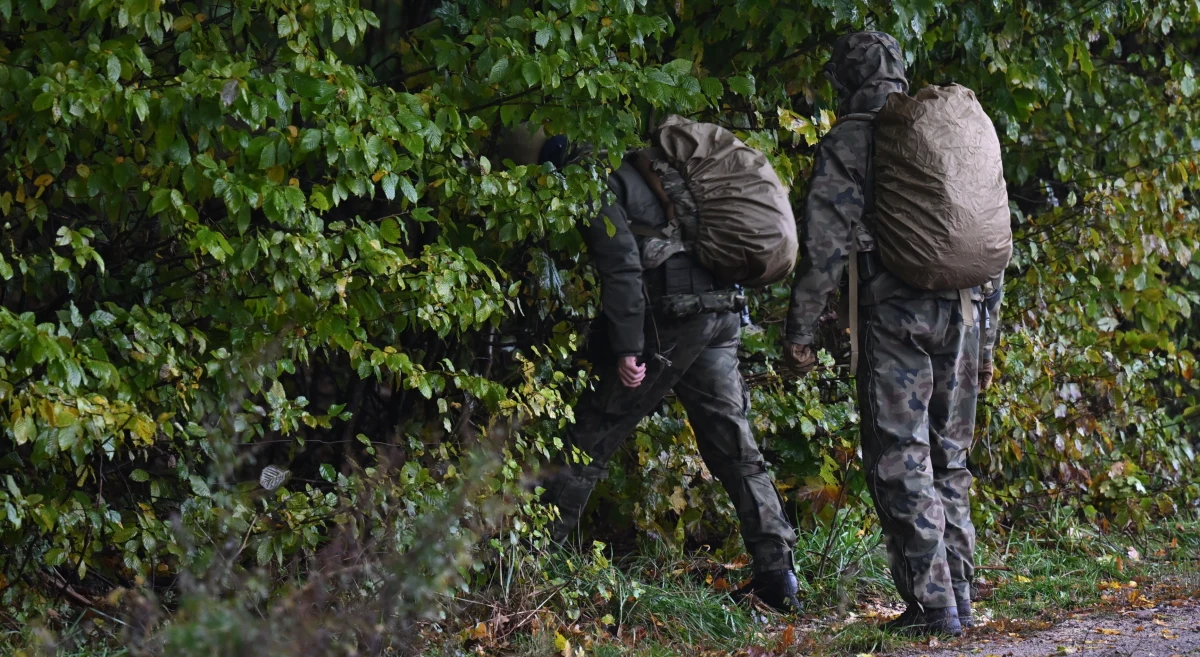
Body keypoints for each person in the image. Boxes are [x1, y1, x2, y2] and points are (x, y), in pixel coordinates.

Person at [498, 124, 802, 613]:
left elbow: (620, 267)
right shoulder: (642, 164)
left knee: (590, 434)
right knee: (733, 443)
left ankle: (529, 573)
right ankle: (778, 575)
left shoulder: (595, 180)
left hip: (674, 315)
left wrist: (626, 347)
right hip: (719, 311)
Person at [782, 32, 1005, 636]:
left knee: (902, 459)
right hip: (963, 311)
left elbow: (825, 248)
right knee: (949, 459)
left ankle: (935, 609)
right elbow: (989, 241)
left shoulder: (852, 141)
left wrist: (800, 333)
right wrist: (986, 341)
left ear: (845, 79)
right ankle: (960, 596)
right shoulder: (947, 131)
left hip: (895, 319)